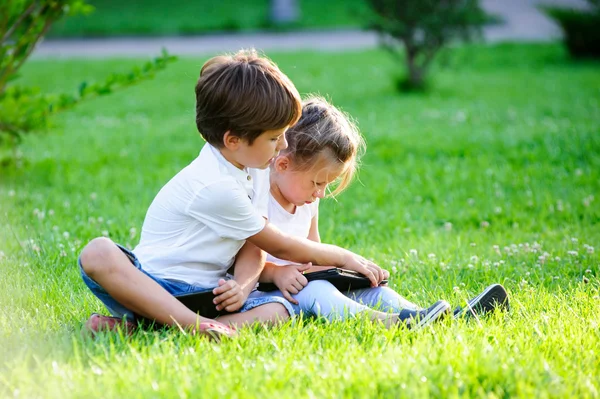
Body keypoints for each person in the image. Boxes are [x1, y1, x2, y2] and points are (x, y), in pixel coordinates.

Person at [78, 49, 389, 340]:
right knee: (98, 252)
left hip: (207, 293)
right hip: (155, 287)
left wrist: (242, 286)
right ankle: (194, 327)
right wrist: (346, 257)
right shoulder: (216, 186)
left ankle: (146, 328)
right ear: (233, 139)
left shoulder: (251, 164)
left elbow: (255, 247)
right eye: (274, 137)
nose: (283, 146)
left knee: (282, 310)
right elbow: (281, 245)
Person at [250, 96, 509, 329]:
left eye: (326, 185)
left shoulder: (306, 199)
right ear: (283, 165)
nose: (320, 194)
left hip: (303, 283)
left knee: (376, 293)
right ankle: (392, 324)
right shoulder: (258, 198)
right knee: (319, 291)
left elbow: (313, 252)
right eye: (317, 183)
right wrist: (277, 272)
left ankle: (430, 317)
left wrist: (350, 274)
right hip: (267, 294)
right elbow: (239, 261)